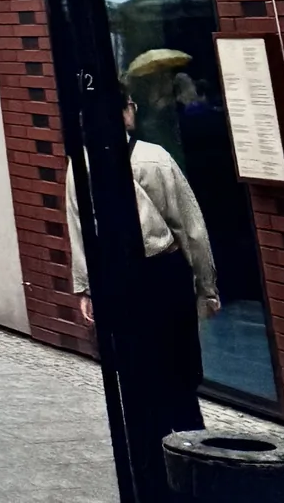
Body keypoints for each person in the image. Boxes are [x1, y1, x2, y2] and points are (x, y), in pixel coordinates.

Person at [67, 92, 220, 460]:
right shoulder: (155, 158)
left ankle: (148, 462)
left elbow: (78, 228)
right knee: (180, 376)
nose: (133, 110)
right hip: (162, 274)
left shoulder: (80, 164)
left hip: (114, 278)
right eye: (130, 104)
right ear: (123, 113)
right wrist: (206, 286)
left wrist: (85, 286)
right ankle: (189, 459)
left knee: (133, 378)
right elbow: (190, 229)